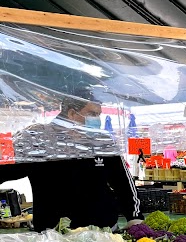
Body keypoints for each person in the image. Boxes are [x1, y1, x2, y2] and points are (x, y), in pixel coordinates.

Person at [0, 94, 143, 231]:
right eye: (92, 114)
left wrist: (135, 217)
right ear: (72, 114)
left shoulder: (103, 142)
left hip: (104, 233)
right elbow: (5, 170)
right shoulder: (39, 139)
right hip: (56, 238)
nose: (97, 120)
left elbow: (124, 184)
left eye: (99, 115)